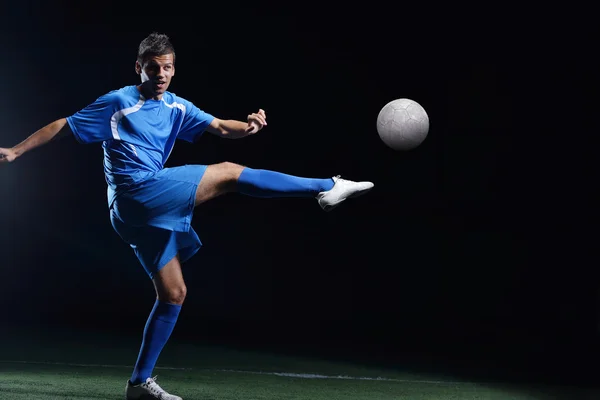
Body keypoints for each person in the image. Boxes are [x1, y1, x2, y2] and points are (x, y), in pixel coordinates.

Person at [0, 32, 374, 400]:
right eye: (152, 68)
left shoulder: (178, 107)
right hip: (137, 193)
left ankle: (138, 384)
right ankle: (327, 185)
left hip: (132, 216)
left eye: (166, 67)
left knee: (174, 294)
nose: (160, 74)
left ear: (174, 69)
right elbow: (64, 125)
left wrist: (249, 127)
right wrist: (16, 151)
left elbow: (220, 127)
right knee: (228, 173)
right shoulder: (118, 101)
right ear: (138, 68)